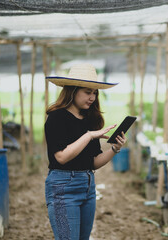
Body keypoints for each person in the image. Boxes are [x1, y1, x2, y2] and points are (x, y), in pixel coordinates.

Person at [44, 63, 126, 240]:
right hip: (63, 187)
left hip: (87, 185)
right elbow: (61, 157)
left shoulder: (89, 119)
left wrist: (114, 148)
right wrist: (88, 136)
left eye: (95, 93)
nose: (92, 97)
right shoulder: (57, 118)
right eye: (87, 92)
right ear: (72, 91)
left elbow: (94, 161)